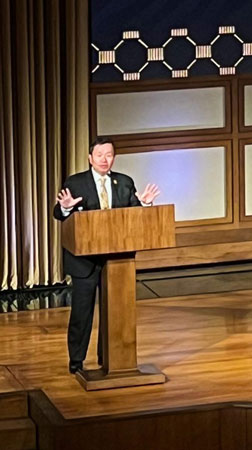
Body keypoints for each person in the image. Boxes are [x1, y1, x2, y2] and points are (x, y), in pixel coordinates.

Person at [53, 136, 160, 374]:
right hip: (85, 261)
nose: (104, 159)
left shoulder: (123, 182)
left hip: (118, 260)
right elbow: (59, 214)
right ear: (90, 158)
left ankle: (109, 358)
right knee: (82, 313)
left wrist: (144, 206)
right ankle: (76, 361)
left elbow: (132, 215)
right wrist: (67, 207)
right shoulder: (76, 182)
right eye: (100, 155)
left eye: (109, 154)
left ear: (114, 157)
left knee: (115, 312)